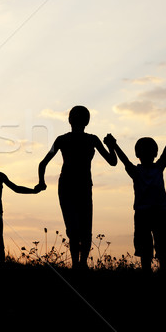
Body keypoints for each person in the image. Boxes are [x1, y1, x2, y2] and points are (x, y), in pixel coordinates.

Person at [104, 116, 166, 274]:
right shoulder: (155, 168)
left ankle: (149, 273)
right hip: (155, 212)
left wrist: (114, 145)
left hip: (146, 213)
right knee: (159, 247)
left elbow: (124, 160)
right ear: (155, 153)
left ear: (137, 153)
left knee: (149, 248)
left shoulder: (138, 171)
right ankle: (159, 272)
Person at [37, 105, 117, 269]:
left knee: (77, 228)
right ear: (87, 121)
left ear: (69, 120)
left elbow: (42, 164)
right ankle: (79, 264)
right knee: (80, 228)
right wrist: (111, 145)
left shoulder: (66, 139)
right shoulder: (85, 139)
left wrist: (41, 182)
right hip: (74, 186)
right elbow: (113, 161)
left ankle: (79, 264)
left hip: (76, 186)